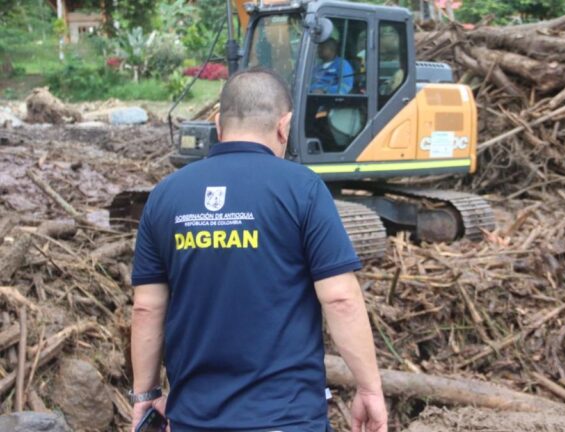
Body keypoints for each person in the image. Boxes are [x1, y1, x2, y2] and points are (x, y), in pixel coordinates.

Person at [130, 67, 387, 432]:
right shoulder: (303, 189)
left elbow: (146, 307)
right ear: (284, 125)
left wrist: (145, 396)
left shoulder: (165, 195)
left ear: (219, 124)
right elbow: (341, 299)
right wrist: (370, 389)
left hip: (193, 420)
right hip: (287, 419)